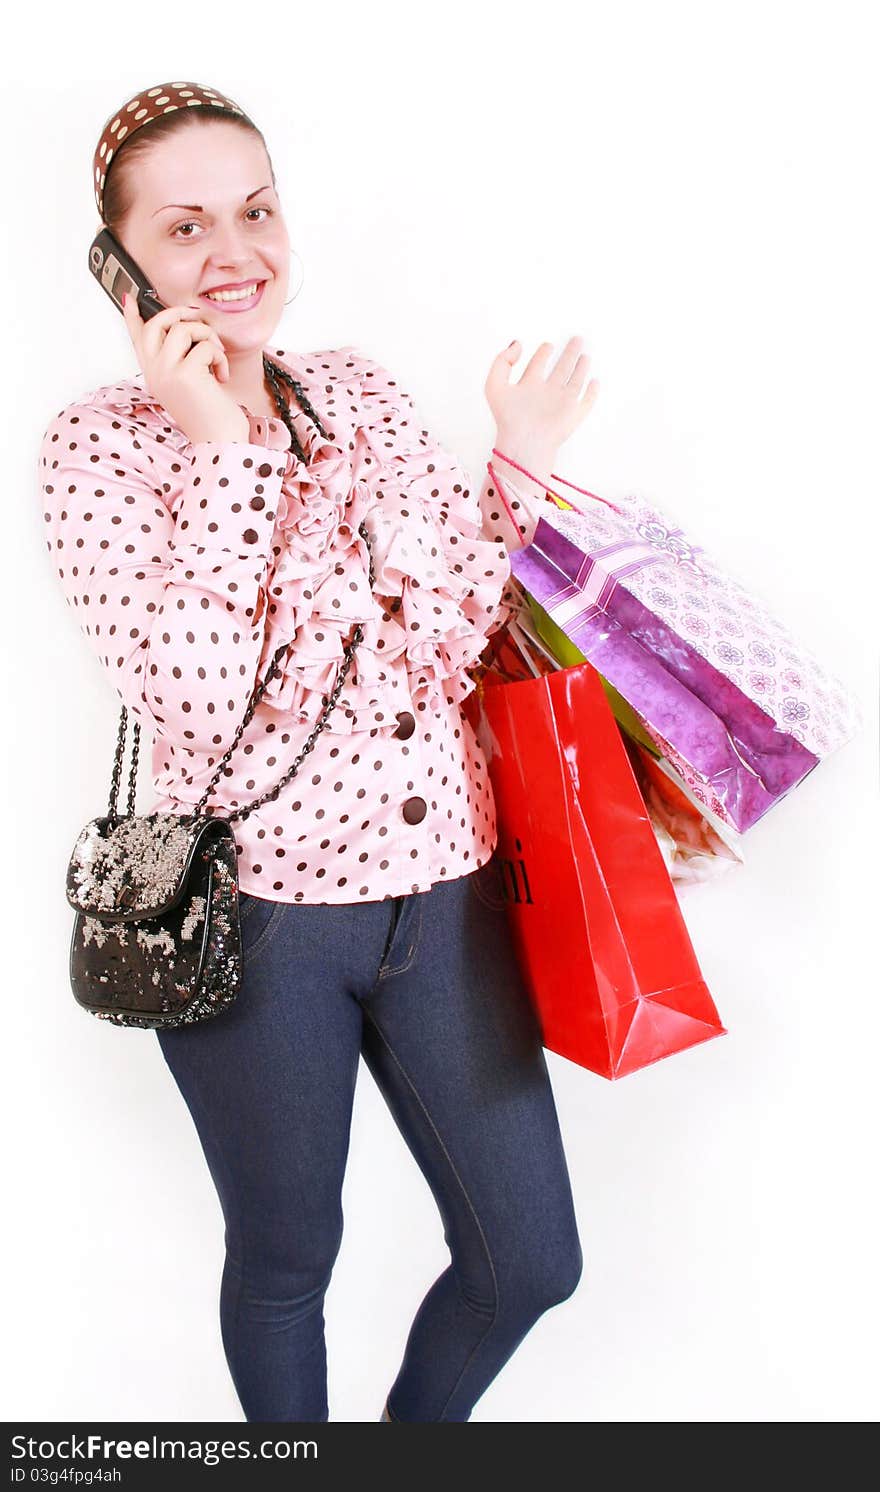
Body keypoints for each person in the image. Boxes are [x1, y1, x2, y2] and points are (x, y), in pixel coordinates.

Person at [38, 81, 601, 1423]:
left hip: (448, 897)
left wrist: (516, 465)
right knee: (291, 1260)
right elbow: (199, 700)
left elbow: (453, 633)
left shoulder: (355, 391)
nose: (235, 253)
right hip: (259, 932)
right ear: (119, 263)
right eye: (184, 229)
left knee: (530, 1259)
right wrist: (225, 449)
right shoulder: (96, 452)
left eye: (256, 210)